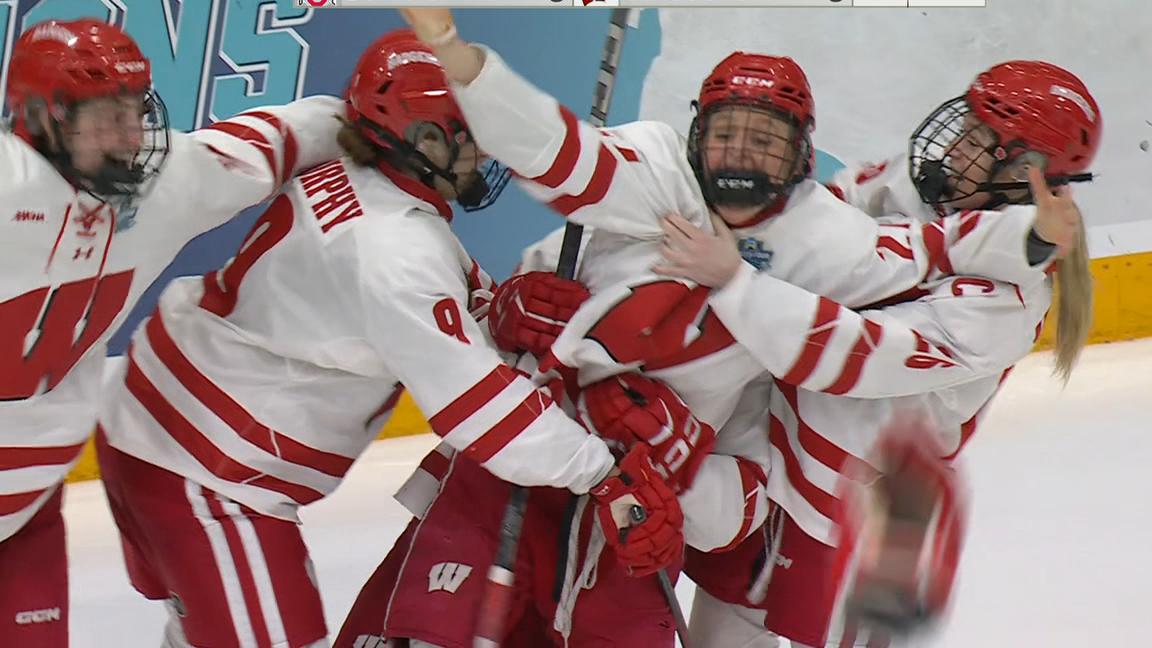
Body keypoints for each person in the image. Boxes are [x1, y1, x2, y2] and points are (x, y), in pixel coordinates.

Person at [335, 8, 1084, 647]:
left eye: (768, 141)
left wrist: (690, 465)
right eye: (730, 134)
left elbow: (858, 341)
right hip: (595, 463)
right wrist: (511, 303)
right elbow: (563, 156)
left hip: (819, 497)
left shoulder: (885, 261)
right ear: (696, 135)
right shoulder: (668, 169)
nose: (952, 148)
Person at [94, 29, 683, 648]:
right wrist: (601, 473)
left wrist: (494, 305)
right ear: (423, 138)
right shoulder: (395, 251)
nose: (485, 153)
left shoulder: (353, 162)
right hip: (208, 480)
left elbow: (395, 312)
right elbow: (479, 410)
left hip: (153, 424)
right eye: (470, 137)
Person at [663, 59, 1100, 647]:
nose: (953, 147)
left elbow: (853, 356)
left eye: (977, 139)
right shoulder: (913, 189)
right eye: (964, 126)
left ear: (1028, 170)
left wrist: (735, 281)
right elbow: (815, 227)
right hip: (771, 473)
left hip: (855, 515)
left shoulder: (1008, 303)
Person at [0, 18, 349, 646]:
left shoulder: (169, 183)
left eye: (135, 110)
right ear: (44, 119)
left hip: (26, 508)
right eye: (105, 116)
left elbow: (282, 137)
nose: (130, 135)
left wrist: (382, 116)